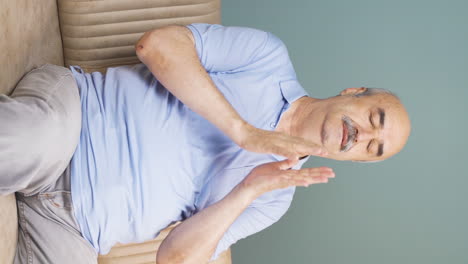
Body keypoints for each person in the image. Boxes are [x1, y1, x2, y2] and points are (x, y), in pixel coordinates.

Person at [0, 23, 410, 264]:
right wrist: (242, 131)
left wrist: (248, 190)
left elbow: (173, 259)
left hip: (74, 228)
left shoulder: (273, 199)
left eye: (373, 148)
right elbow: (156, 46)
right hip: (76, 119)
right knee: (19, 142)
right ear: (353, 92)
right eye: (375, 118)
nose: (365, 136)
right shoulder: (268, 59)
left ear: (358, 159)